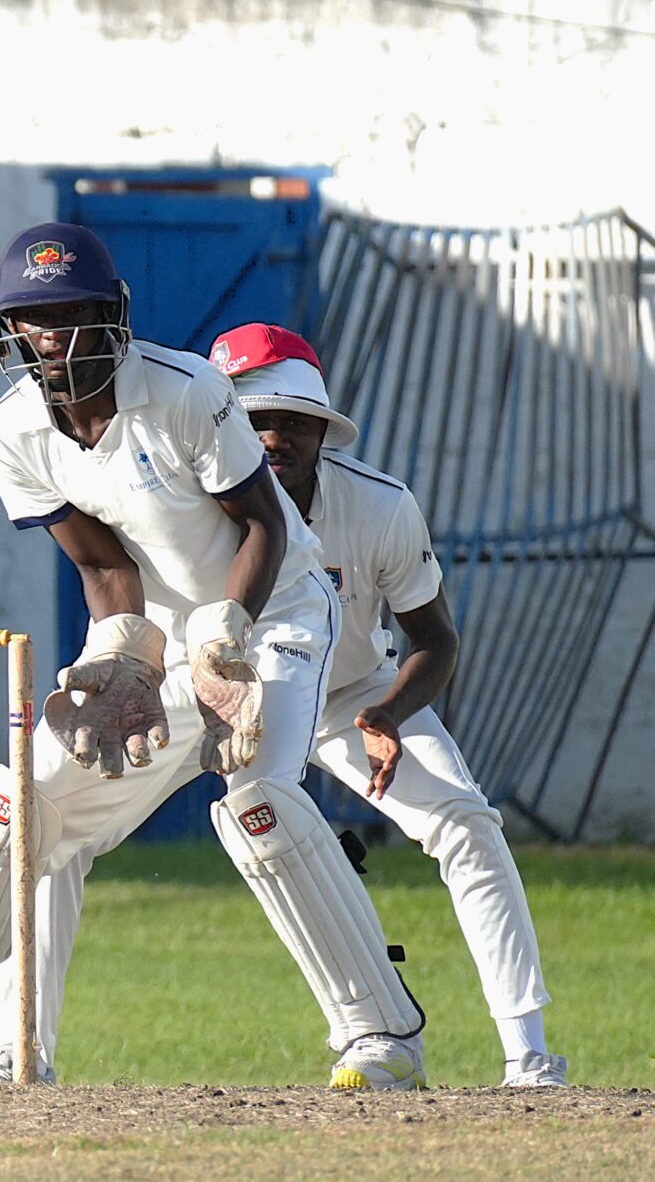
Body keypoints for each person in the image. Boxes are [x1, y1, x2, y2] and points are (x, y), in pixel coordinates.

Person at [0, 224, 430, 1091]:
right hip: (158, 631)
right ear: (8, 328)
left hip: (276, 613)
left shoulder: (190, 392)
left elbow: (263, 524)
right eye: (37, 318)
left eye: (75, 313)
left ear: (114, 316)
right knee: (26, 801)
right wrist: (126, 658)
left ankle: (381, 1036)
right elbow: (106, 567)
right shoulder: (8, 435)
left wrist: (224, 635)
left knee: (258, 799)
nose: (56, 337)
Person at [210, 322, 563, 1087]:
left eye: (295, 420)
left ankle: (529, 1053)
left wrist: (388, 715)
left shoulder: (379, 506)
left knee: (468, 822)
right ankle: (4, 1043)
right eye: (256, 419)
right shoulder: (189, 506)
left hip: (352, 694)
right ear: (223, 425)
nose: (275, 438)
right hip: (239, 699)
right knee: (241, 816)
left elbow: (436, 639)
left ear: (322, 429)